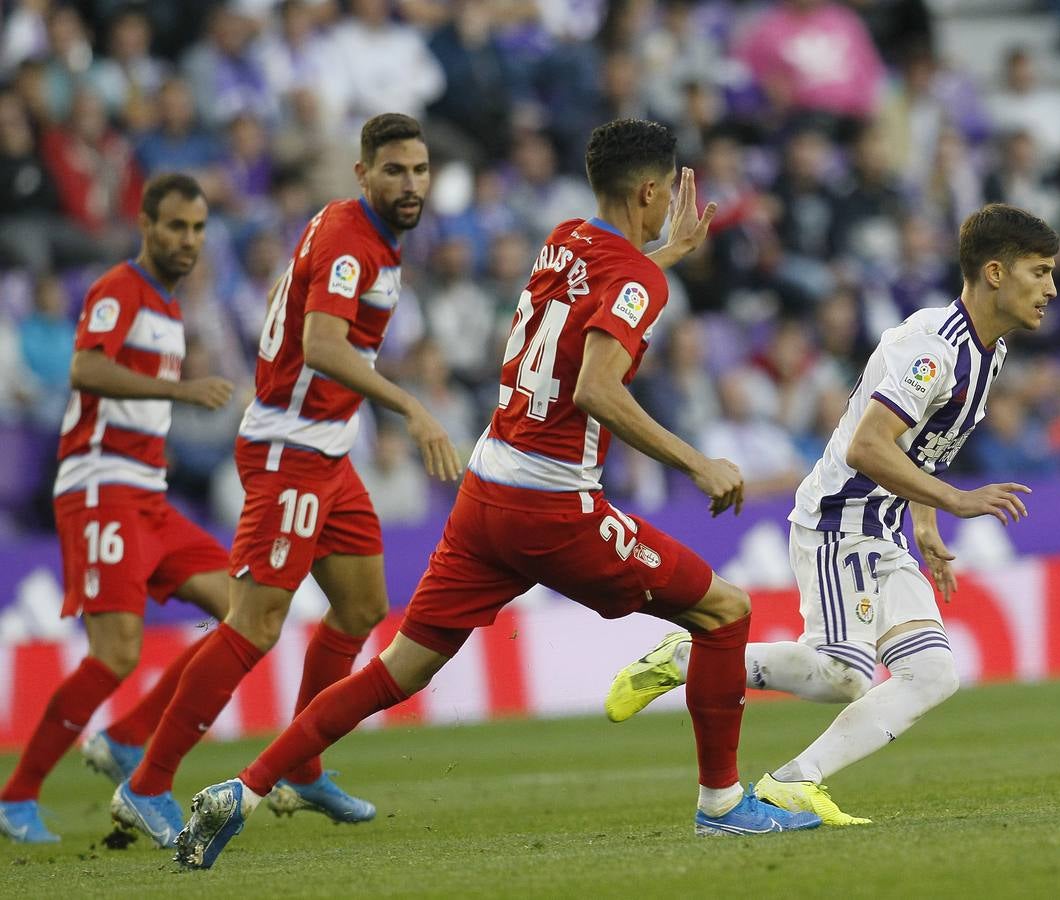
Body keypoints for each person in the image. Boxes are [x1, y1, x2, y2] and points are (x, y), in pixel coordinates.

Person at [173, 119, 821, 871]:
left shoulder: (563, 238)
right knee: (724, 610)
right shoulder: (635, 279)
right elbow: (596, 388)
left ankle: (243, 790)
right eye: (663, 195)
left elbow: (598, 288)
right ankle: (721, 804)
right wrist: (695, 461)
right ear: (651, 192)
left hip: (486, 492)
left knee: (398, 672)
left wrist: (663, 254)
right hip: (553, 508)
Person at [605, 203, 1054, 825]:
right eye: (1040, 271)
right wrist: (953, 501)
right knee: (844, 674)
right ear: (997, 274)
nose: (1051, 288)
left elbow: (924, 443)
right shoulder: (935, 349)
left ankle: (796, 781)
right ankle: (688, 658)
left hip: (885, 526)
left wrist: (925, 524)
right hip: (840, 520)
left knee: (932, 674)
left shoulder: (989, 351)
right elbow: (865, 446)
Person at [110, 114, 461, 849]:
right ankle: (145, 783)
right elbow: (322, 344)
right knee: (256, 623)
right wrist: (409, 408)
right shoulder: (348, 242)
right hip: (288, 452)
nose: (409, 184)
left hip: (328, 453)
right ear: (362, 173)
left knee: (363, 607)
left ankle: (301, 766)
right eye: (394, 171)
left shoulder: (370, 239)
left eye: (420, 171)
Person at [0, 174, 235, 844]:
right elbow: (86, 369)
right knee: (116, 654)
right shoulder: (118, 290)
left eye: (197, 229)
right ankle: (16, 795)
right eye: (175, 227)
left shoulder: (166, 307)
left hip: (148, 493)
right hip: (100, 484)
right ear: (146, 226)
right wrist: (183, 392)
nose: (187, 240)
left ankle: (130, 740)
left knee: (245, 613)